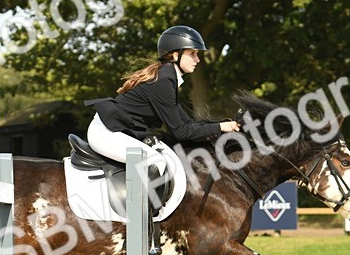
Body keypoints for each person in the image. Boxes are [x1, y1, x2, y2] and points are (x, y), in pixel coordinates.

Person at [86, 25, 240, 176]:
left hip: (116, 130)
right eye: (192, 53)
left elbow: (188, 123)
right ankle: (134, 203)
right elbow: (180, 132)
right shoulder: (163, 81)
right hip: (107, 133)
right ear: (175, 55)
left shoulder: (168, 77)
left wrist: (224, 125)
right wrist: (220, 127)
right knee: (156, 162)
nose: (197, 59)